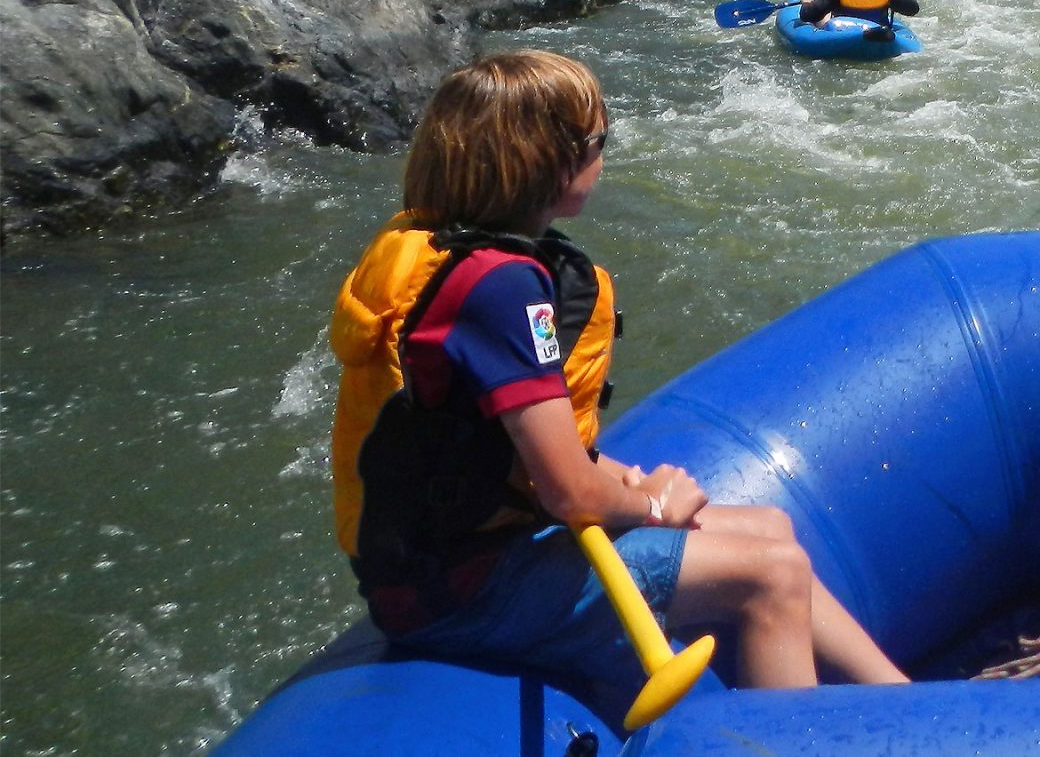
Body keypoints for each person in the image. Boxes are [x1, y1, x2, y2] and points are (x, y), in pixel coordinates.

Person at [329, 50, 907, 699]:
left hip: (459, 561)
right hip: (464, 591)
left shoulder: (448, 256)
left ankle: (903, 697)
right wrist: (653, 505)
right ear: (550, 161)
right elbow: (568, 493)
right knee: (769, 573)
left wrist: (627, 481)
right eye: (599, 141)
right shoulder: (499, 290)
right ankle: (793, 736)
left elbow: (504, 450)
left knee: (772, 529)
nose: (603, 159)